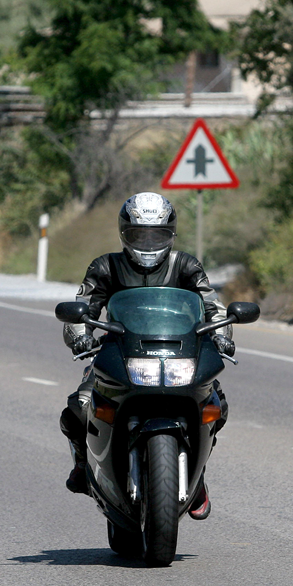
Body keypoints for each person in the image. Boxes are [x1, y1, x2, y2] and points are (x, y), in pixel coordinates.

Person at [60, 192, 235, 520]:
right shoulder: (104, 267)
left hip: (179, 351)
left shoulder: (186, 266)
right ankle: (84, 465)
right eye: (141, 235)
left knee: (216, 406)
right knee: (78, 407)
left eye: (157, 235)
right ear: (125, 233)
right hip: (119, 354)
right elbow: (81, 308)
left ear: (171, 234)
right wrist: (80, 337)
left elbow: (213, 306)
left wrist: (223, 336)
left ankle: (197, 477)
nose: (149, 243)